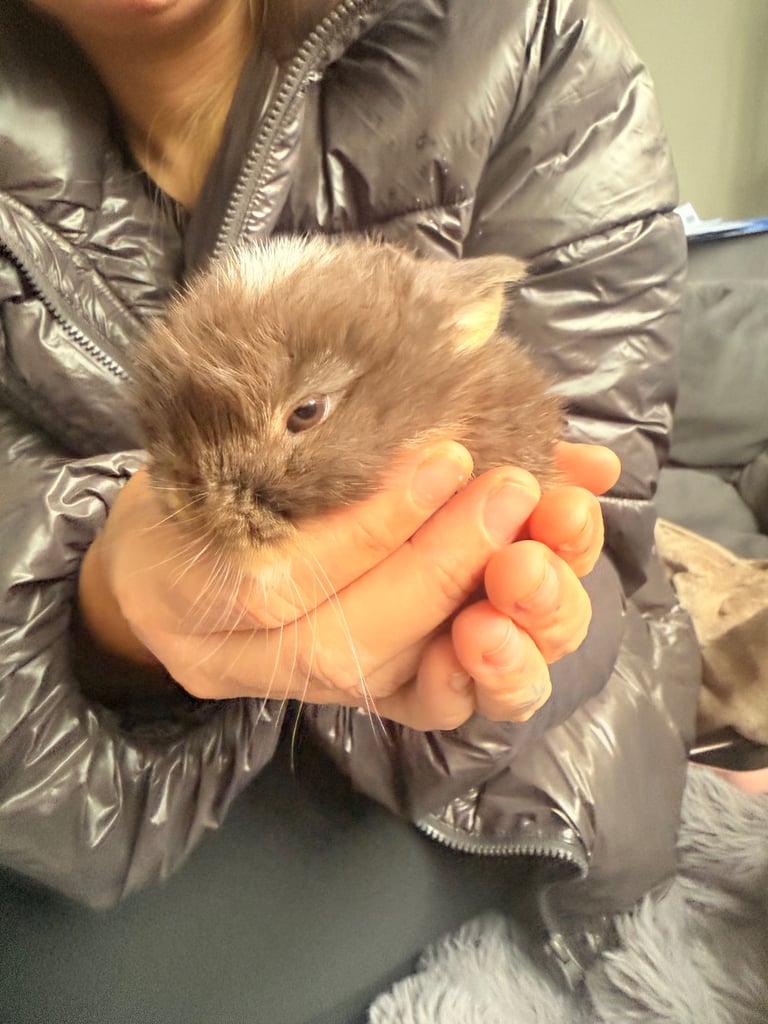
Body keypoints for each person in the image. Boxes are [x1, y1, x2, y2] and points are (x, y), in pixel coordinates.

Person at [0, 0, 700, 1006]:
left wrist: (487, 631)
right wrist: (96, 609)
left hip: (518, 780)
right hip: (112, 765)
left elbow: (604, 538)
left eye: (301, 415)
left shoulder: (528, 40)